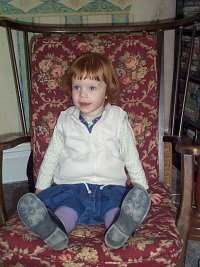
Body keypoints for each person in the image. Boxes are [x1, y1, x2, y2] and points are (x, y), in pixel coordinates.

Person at [17, 52, 161, 251]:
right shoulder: (65, 119)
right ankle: (54, 230)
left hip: (109, 186)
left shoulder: (118, 119)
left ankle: (120, 228)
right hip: (72, 186)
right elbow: (52, 155)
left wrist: (142, 190)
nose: (82, 94)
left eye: (92, 87)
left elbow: (131, 156)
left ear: (107, 91)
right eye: (77, 87)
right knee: (67, 209)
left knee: (116, 208)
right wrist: (41, 187)